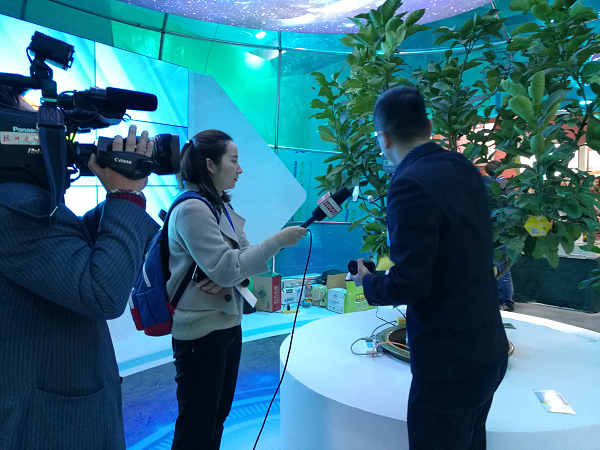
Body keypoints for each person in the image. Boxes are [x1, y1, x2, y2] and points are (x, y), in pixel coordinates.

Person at [0, 86, 159, 450]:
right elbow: (103, 292)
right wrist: (126, 195)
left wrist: (119, 199)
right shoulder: (18, 205)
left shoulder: (21, 200)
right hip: (51, 425)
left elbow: (66, 255)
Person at [351, 86, 508, 450]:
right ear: (430, 126)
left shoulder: (409, 183)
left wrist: (368, 283)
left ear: (383, 138)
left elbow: (411, 283)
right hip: (487, 349)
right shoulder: (464, 169)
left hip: (448, 364)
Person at [166, 129, 307, 450]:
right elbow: (231, 266)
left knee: (216, 416)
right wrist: (277, 240)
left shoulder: (219, 207)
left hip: (227, 325)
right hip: (200, 332)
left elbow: (240, 263)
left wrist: (230, 272)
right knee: (197, 423)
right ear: (210, 165)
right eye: (234, 160)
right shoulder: (192, 209)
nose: (240, 169)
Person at [483, 160, 514, 312]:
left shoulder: (494, 187)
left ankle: (507, 301)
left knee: (501, 266)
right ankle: (503, 298)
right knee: (501, 266)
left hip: (499, 229)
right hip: (503, 229)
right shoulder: (508, 185)